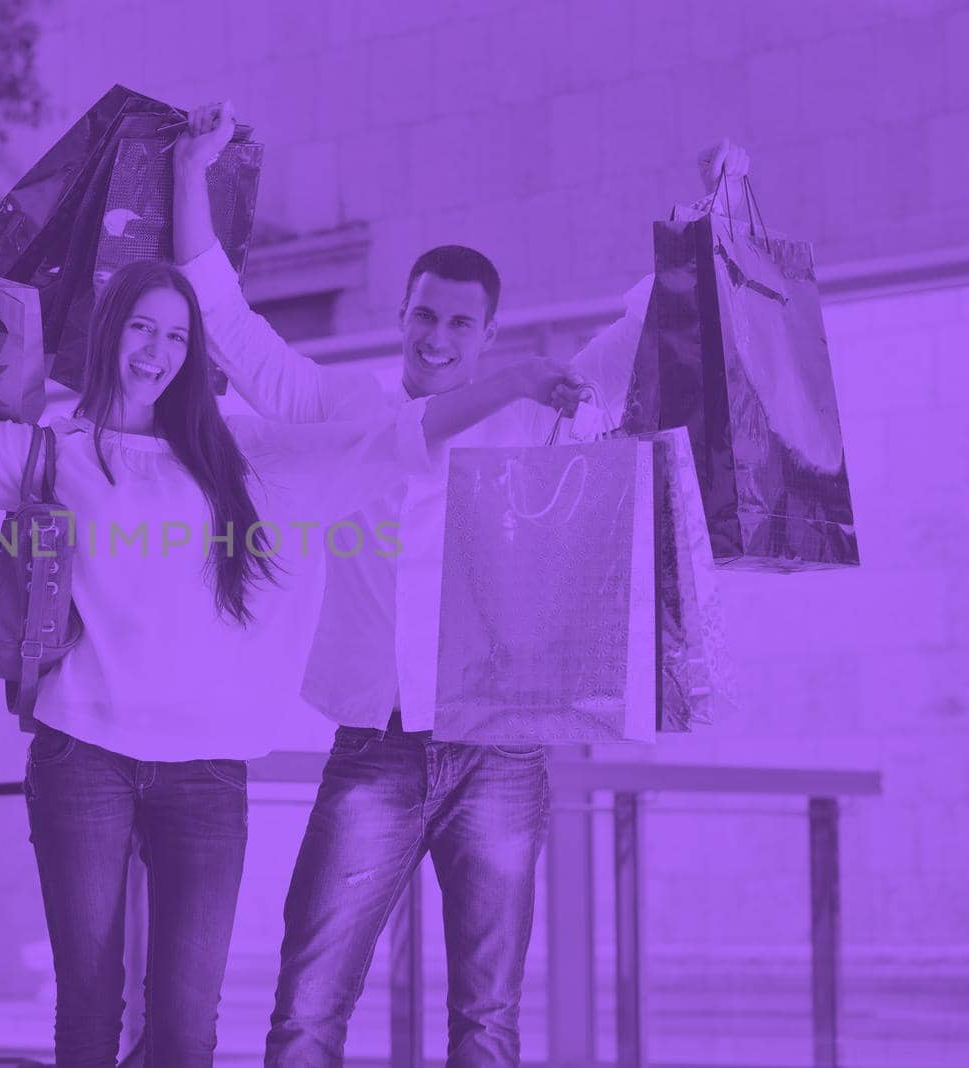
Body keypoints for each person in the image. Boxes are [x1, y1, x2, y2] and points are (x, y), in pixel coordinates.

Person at [0, 221, 584, 1066]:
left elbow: (404, 439)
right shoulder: (51, 450)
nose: (157, 352)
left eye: (179, 337)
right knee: (88, 1010)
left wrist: (517, 378)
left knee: (187, 1031)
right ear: (111, 332)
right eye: (142, 329)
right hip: (80, 756)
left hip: (206, 778)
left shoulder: (248, 458)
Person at [171, 103, 749, 1067]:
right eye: (424, 316)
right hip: (377, 751)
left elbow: (643, 329)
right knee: (309, 1004)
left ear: (487, 333)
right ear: (401, 317)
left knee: (487, 1018)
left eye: (459, 323)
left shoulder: (536, 414)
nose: (438, 337)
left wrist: (710, 215)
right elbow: (227, 327)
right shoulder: (346, 407)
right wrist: (192, 172)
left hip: (502, 754)